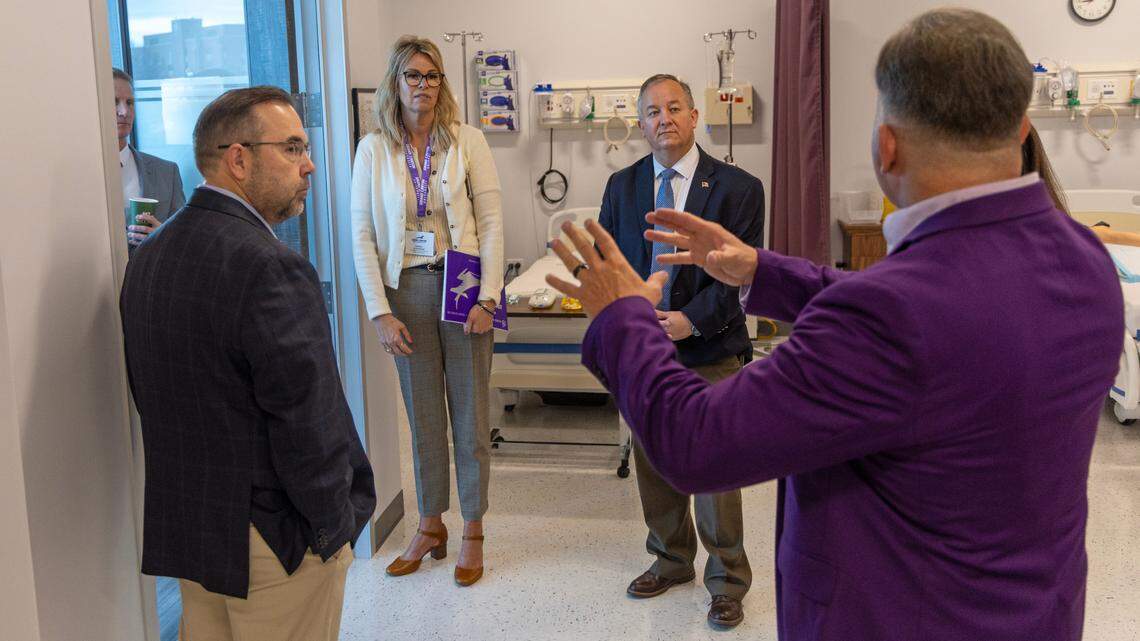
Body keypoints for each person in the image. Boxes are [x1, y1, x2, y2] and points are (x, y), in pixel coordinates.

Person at [544, 9, 1121, 640]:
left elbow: (695, 443)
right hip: (1039, 615)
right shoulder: (1083, 259)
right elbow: (939, 316)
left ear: (886, 146)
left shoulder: (893, 314)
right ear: (1020, 127)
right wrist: (761, 270)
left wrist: (622, 313)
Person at [120, 86, 375, 641]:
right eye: (291, 148)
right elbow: (309, 419)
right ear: (238, 159)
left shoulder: (151, 257)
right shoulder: (270, 266)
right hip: (274, 542)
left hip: (194, 530)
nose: (308, 165)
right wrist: (335, 529)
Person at [597, 73, 763, 629]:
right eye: (651, 111)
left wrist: (688, 322)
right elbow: (614, 263)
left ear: (695, 117)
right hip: (645, 350)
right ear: (640, 123)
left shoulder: (738, 189)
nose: (662, 118)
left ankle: (727, 579)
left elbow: (739, 280)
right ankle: (670, 559)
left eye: (673, 108)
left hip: (710, 345)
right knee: (654, 461)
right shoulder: (621, 187)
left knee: (714, 469)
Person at [350, 35, 503, 587]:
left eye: (432, 76)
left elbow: (490, 221)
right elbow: (362, 234)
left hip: (461, 283)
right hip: (407, 291)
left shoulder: (468, 141)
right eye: (413, 75)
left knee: (471, 416)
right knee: (423, 418)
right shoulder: (374, 149)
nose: (423, 85)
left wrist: (489, 296)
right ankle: (431, 523)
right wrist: (378, 311)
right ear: (396, 82)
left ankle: (474, 528)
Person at [113, 68, 185, 250]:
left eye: (129, 103)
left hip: (153, 273)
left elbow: (184, 240)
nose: (124, 111)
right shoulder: (80, 176)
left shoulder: (167, 173)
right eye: (114, 102)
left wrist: (163, 236)